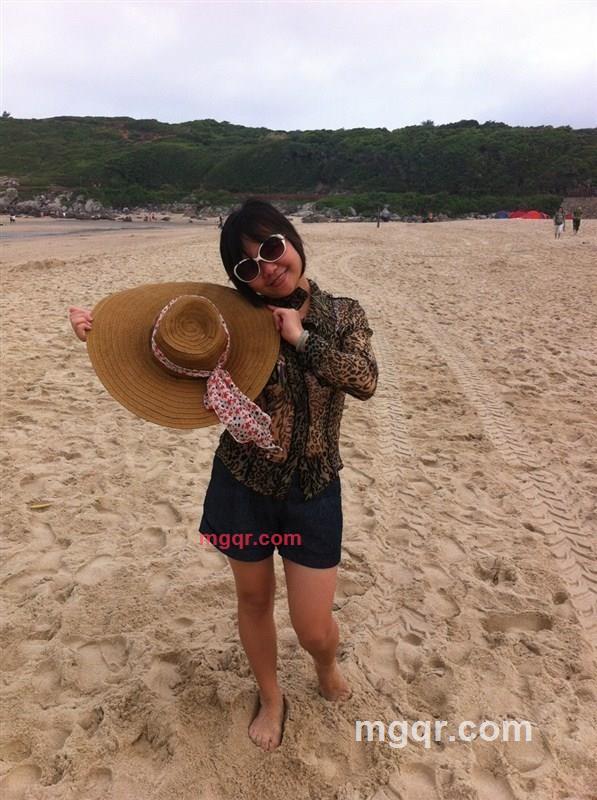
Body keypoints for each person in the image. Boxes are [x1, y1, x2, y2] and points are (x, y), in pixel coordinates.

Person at [68, 198, 378, 753]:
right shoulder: (234, 325)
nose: (268, 266)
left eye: (272, 247)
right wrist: (101, 332)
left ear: (292, 238)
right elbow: (172, 348)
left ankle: (325, 663)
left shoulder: (343, 314)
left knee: (313, 627)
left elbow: (365, 380)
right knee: (254, 601)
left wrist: (301, 339)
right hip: (242, 489)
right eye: (248, 265)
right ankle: (271, 696)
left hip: (313, 492)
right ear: (239, 279)